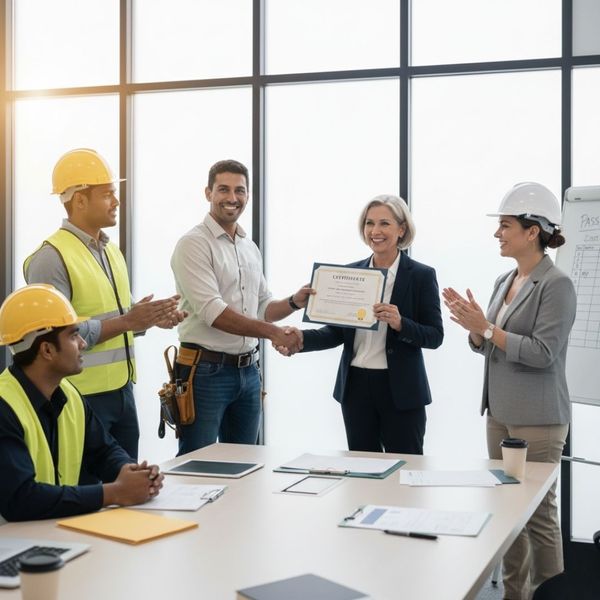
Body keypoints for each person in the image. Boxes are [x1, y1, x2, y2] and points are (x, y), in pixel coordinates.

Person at [442, 182, 577, 600]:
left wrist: (487, 328)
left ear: (532, 230)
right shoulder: (505, 279)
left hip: (539, 417)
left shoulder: (557, 284)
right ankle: (515, 594)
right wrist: (475, 330)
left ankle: (550, 593)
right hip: (500, 412)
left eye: (504, 226)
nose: (497, 234)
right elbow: (486, 342)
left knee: (537, 513)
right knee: (507, 509)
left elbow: (542, 353)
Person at [24, 148, 186, 462]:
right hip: (79, 396)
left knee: (126, 490)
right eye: (108, 194)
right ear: (79, 200)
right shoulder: (50, 257)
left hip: (122, 394)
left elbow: (117, 316)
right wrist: (129, 321)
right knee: (87, 492)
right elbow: (52, 336)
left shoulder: (110, 251)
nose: (117, 202)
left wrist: (148, 319)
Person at [277, 194, 444, 454]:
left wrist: (401, 323)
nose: (375, 231)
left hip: (401, 390)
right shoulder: (351, 274)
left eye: (384, 224)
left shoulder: (422, 275)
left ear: (402, 229)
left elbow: (435, 336)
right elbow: (335, 333)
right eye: (369, 223)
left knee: (405, 470)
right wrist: (300, 339)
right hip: (356, 388)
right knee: (361, 471)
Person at [170, 159, 312, 455]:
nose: (232, 198)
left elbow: (261, 306)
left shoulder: (249, 247)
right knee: (199, 465)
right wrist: (273, 333)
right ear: (207, 193)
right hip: (205, 372)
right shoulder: (193, 244)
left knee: (245, 464)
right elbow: (215, 313)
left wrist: (294, 302)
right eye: (223, 189)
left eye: (240, 190)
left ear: (248, 196)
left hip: (248, 372)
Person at [0, 284, 164, 522]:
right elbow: (21, 499)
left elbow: (103, 451)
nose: (83, 344)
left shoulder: (68, 394)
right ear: (47, 350)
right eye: (73, 335)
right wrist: (114, 493)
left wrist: (132, 473)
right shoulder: (5, 405)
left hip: (50, 532)